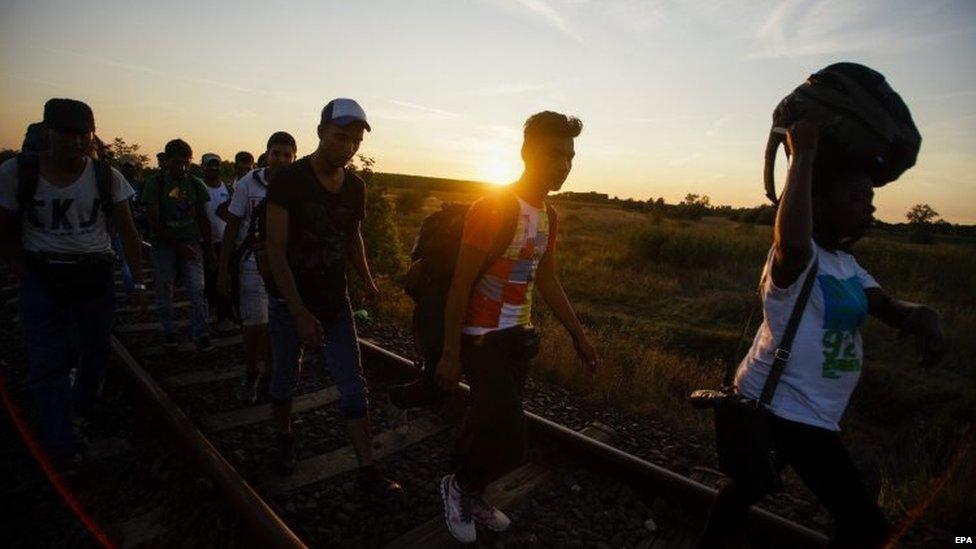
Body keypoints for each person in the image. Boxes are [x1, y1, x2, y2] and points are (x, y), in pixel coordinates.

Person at [695, 122, 944, 548]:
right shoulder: (796, 258)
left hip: (813, 409)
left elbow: (884, 304)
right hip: (784, 407)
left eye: (870, 201)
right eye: (856, 199)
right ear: (818, 204)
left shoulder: (846, 263)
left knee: (748, 488)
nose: (868, 211)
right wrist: (803, 159)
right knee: (866, 525)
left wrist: (916, 314)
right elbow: (792, 240)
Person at [435, 111, 600, 543]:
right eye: (555, 153)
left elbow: (547, 279)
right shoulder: (493, 206)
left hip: (518, 340)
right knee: (510, 438)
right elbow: (460, 284)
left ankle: (472, 493)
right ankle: (458, 487)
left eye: (570, 155)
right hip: (481, 339)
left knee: (486, 422)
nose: (564, 164)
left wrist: (578, 335)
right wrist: (450, 354)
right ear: (528, 153)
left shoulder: (549, 215)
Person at [264, 98, 398, 493]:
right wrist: (299, 312)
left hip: (334, 299)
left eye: (356, 140)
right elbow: (275, 249)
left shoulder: (355, 187)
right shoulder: (288, 180)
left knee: (354, 385)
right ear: (321, 132)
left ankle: (367, 469)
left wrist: (369, 282)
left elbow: (352, 236)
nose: (349, 147)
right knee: (285, 381)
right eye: (341, 137)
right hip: (289, 300)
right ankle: (284, 437)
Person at [0, 98, 145, 459]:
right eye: (68, 133)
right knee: (49, 359)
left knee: (95, 354)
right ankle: (60, 441)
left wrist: (137, 281)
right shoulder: (17, 173)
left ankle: (78, 411)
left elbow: (128, 232)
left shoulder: (105, 176)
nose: (77, 141)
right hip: (42, 275)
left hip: (93, 276)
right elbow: (3, 228)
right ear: (48, 131)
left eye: (84, 133)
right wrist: (20, 269)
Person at [218, 132, 297, 403]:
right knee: (256, 324)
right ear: (267, 155)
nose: (282, 159)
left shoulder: (298, 185)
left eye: (288, 155)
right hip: (252, 262)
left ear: (294, 158)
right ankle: (252, 372)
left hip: (285, 266)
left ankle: (270, 375)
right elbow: (232, 227)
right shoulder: (247, 184)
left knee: (279, 325)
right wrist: (223, 269)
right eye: (277, 153)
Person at [142, 139, 215, 352]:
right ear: (166, 161)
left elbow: (203, 218)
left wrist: (209, 249)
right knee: (165, 290)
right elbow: (154, 223)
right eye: (176, 162)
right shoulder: (155, 185)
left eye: (185, 162)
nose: (181, 167)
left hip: (192, 243)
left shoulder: (195, 184)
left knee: (196, 291)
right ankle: (168, 331)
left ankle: (201, 334)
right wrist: (178, 245)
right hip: (164, 246)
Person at [201, 153, 235, 333]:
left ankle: (224, 316)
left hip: (224, 242)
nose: (213, 168)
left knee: (223, 279)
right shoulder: (198, 187)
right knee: (205, 282)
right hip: (203, 242)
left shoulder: (227, 189)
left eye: (216, 165)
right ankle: (206, 315)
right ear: (202, 167)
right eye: (209, 165)